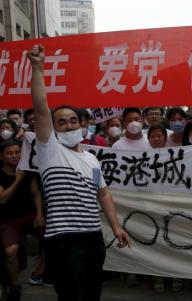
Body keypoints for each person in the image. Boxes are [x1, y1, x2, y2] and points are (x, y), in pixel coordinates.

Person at [27, 44, 130, 301]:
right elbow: (41, 107)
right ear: (53, 127)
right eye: (61, 121)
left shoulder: (92, 160)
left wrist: (116, 227)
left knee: (91, 293)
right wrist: (38, 68)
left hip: (92, 239)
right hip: (62, 240)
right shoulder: (49, 150)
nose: (69, 124)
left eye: (73, 120)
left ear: (83, 125)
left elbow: (103, 193)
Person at [0, 140, 45, 301]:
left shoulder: (28, 171)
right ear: (2, 156)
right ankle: (14, 284)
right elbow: (2, 199)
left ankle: (40, 271)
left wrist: (39, 214)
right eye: (9, 153)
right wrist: (18, 179)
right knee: (10, 251)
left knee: (55, 240)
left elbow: (36, 194)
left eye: (17, 152)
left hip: (30, 216)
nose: (14, 156)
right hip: (8, 221)